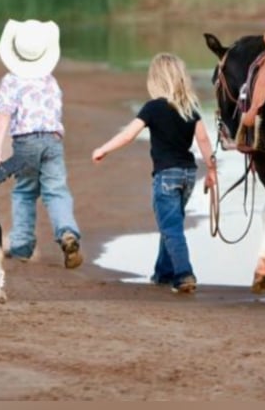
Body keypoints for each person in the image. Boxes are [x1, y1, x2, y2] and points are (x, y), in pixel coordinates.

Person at [91, 53, 217, 293]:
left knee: (171, 227)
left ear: (156, 79)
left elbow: (128, 135)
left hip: (167, 175)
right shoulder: (192, 108)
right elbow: (203, 140)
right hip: (189, 174)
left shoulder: (152, 108)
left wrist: (103, 149)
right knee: (171, 222)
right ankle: (163, 273)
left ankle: (184, 274)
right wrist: (211, 171)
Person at [0, 18, 83, 269]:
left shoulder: (11, 80)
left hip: (26, 143)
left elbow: (5, 116)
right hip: (53, 141)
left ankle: (21, 244)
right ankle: (67, 233)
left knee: (25, 191)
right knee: (56, 191)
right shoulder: (50, 81)